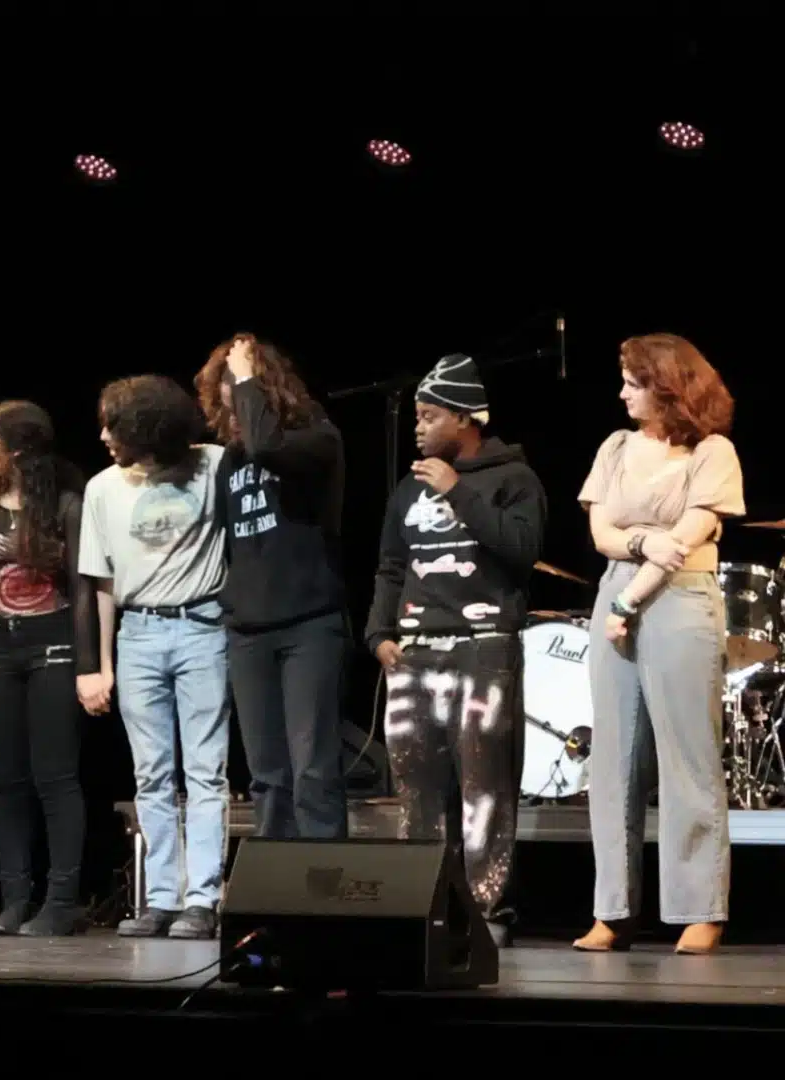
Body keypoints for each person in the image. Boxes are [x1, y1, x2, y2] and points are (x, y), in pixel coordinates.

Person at [363, 355, 546, 945]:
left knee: (483, 785)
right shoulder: (408, 487)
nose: (418, 427)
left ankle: (484, 910)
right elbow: (392, 566)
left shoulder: (513, 479)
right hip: (415, 649)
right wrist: (379, 632)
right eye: (416, 416)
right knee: (416, 787)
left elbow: (521, 550)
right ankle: (424, 905)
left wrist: (461, 494)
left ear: (466, 418)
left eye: (429, 415)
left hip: (483, 646)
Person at [573, 333, 741, 957]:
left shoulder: (714, 452)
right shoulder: (616, 446)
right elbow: (601, 531)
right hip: (622, 587)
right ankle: (612, 909)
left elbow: (691, 535)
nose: (621, 392)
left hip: (679, 597)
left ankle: (699, 908)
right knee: (613, 759)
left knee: (686, 756)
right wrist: (640, 550)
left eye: (632, 382)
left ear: (667, 386)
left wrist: (628, 598)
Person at [83, 375, 232, 940]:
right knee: (151, 774)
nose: (104, 436)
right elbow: (100, 583)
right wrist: (101, 664)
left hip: (201, 626)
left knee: (205, 770)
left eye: (115, 426)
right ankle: (161, 898)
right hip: (138, 632)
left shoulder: (212, 466)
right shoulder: (102, 489)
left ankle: (202, 899)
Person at [0, 401, 96, 937]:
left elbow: (81, 591)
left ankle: (61, 901)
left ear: (16, 449)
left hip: (52, 650)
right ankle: (14, 898)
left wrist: (89, 663)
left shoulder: (65, 504)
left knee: (55, 778)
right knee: (7, 781)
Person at [197, 333, 350, 840]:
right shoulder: (231, 463)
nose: (235, 418)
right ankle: (276, 903)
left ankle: (324, 897)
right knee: (268, 775)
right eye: (228, 409)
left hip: (309, 625)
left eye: (242, 403)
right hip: (248, 632)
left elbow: (268, 446)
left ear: (267, 394)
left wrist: (245, 378)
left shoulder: (317, 440)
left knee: (313, 769)